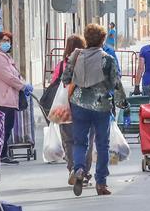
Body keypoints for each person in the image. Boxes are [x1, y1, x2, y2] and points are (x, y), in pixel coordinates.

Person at [62, 23, 128, 197]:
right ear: (102, 40)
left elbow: (65, 78)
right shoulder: (108, 59)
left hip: (79, 105)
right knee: (102, 144)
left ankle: (78, 169)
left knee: (80, 142)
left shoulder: (76, 56)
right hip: (101, 106)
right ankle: (101, 183)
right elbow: (116, 83)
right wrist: (122, 103)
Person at [0, 31, 29, 165]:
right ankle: (1, 154)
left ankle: (3, 153)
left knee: (8, 126)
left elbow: (16, 74)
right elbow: (8, 77)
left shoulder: (7, 57)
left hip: (9, 98)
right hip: (2, 98)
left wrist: (23, 83)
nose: (6, 43)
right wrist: (23, 87)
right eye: (4, 40)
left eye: (8, 41)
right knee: (3, 127)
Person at [51, 34, 86, 174]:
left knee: (68, 139)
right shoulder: (85, 63)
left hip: (65, 106)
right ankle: (82, 168)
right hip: (83, 104)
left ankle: (72, 167)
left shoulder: (61, 65)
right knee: (84, 140)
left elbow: (54, 82)